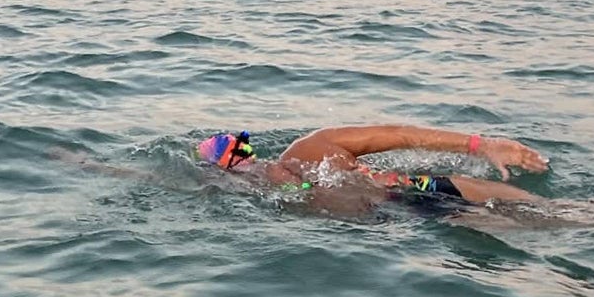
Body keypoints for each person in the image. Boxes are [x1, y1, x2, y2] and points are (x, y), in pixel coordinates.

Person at [197, 124, 548, 209]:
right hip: (426, 186)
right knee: (559, 213)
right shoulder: (312, 146)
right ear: (248, 148)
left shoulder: (255, 188)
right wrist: (481, 145)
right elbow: (399, 134)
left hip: (401, 213)